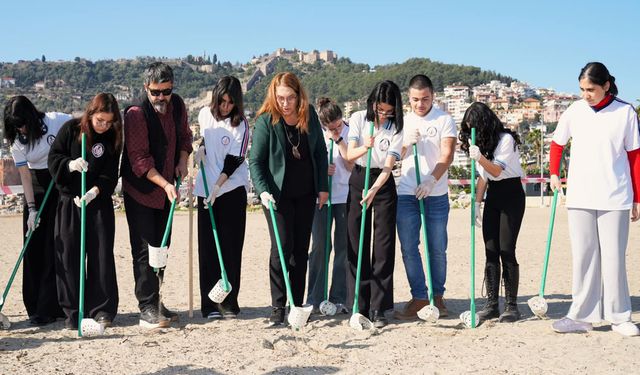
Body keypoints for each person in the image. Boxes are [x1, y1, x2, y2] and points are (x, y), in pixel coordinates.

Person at [550, 62, 640, 336]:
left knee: (613, 257)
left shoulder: (625, 112)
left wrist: (637, 198)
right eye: (582, 89)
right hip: (580, 196)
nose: (585, 95)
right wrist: (554, 173)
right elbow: (557, 143)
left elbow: (635, 157)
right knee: (584, 257)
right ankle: (581, 316)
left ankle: (620, 317)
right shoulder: (574, 110)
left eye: (591, 89)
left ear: (606, 86)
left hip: (616, 196)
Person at [249, 72, 329, 326]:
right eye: (280, 98)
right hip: (276, 196)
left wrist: (323, 187)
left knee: (299, 250)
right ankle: (277, 306)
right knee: (281, 247)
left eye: (290, 98)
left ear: (298, 96)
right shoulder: (265, 121)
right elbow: (256, 161)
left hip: (306, 194)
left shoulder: (309, 115)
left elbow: (319, 152)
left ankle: (296, 305)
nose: (285, 103)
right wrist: (262, 190)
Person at [121, 62, 193, 328]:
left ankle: (157, 297)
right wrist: (164, 184)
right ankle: (147, 307)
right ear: (146, 88)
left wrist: (183, 161)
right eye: (156, 92)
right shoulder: (135, 114)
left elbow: (185, 137)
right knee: (143, 250)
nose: (161, 97)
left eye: (167, 91)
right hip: (141, 191)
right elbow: (139, 160)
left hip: (166, 191)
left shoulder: (179, 105)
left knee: (161, 248)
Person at [48, 93, 122, 329]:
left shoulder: (112, 137)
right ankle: (73, 312)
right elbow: (54, 158)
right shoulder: (70, 129)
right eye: (100, 120)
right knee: (70, 256)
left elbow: (110, 174)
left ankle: (101, 309)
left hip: (97, 202)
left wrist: (94, 191)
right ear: (90, 114)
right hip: (70, 201)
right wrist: (69, 165)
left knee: (101, 255)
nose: (104, 126)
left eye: (109, 122)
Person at [3, 96, 70, 326]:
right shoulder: (16, 142)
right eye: (15, 126)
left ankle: (52, 307)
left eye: (22, 124)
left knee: (55, 248)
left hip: (59, 184)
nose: (20, 129)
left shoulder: (55, 121)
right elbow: (25, 178)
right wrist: (31, 210)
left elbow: (80, 129)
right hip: (36, 188)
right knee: (33, 249)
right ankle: (34, 307)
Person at [394, 75, 456, 320]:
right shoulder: (403, 121)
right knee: (409, 248)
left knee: (437, 248)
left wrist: (432, 180)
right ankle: (419, 297)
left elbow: (448, 154)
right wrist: (405, 145)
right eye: (415, 100)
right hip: (406, 192)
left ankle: (437, 298)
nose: (420, 104)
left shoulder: (444, 119)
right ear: (408, 98)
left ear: (433, 96)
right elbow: (392, 156)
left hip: (436, 194)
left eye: (425, 99)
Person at [459, 102, 525, 323]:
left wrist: (480, 158)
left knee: (506, 249)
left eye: (473, 127)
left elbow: (496, 170)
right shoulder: (481, 145)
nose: (471, 133)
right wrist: (477, 203)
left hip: (511, 194)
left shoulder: (505, 140)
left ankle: (511, 305)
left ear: (484, 124)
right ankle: (491, 304)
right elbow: (483, 177)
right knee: (490, 250)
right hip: (494, 196)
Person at [345, 80, 404, 328]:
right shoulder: (359, 118)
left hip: (382, 183)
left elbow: (389, 166)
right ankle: (359, 305)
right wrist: (363, 148)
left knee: (383, 245)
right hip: (359, 177)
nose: (383, 114)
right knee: (356, 241)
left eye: (388, 110)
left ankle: (379, 307)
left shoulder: (397, 127)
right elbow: (349, 155)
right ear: (372, 103)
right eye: (380, 109)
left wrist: (375, 189)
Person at [193, 76, 250, 320]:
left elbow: (234, 161)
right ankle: (209, 305)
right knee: (207, 249)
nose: (225, 107)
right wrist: (201, 149)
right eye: (222, 101)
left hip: (231, 190)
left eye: (230, 103)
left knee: (230, 247)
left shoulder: (242, 125)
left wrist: (218, 187)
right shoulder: (205, 114)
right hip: (206, 190)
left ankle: (228, 302)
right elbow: (205, 139)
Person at [306, 97, 353, 314]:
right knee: (320, 247)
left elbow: (352, 165)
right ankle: (314, 298)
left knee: (343, 248)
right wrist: (322, 170)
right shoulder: (316, 134)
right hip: (321, 199)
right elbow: (310, 162)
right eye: (330, 127)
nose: (335, 129)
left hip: (345, 196)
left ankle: (339, 297)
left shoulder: (351, 132)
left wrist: (340, 140)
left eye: (337, 124)